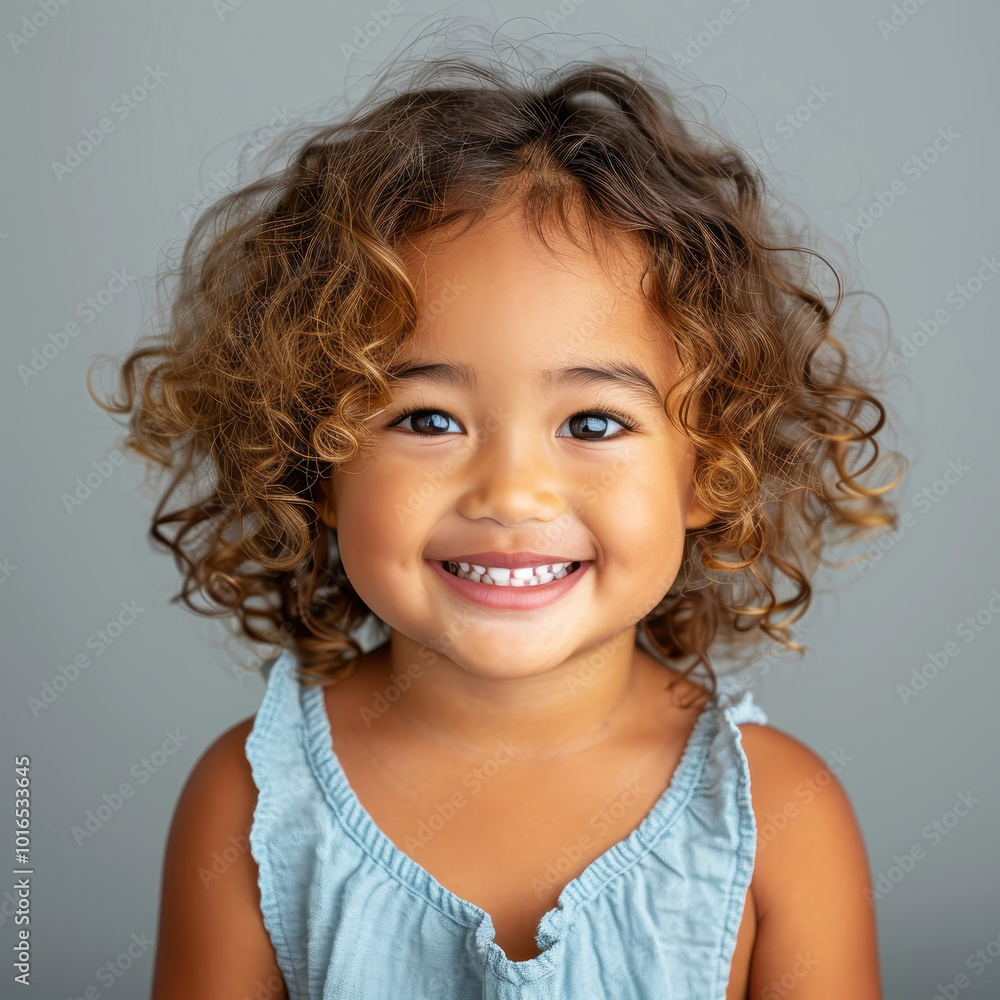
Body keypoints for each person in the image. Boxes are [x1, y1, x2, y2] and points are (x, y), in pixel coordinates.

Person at [92, 26, 903, 1000]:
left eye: (593, 421)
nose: (511, 494)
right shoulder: (251, 807)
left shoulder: (781, 816)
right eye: (429, 417)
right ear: (312, 458)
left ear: (711, 466)